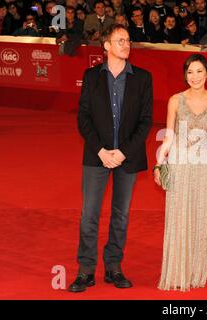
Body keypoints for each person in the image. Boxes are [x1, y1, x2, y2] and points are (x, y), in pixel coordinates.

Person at [68, 24, 153, 293]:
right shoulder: (91, 77)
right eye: (120, 40)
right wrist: (101, 151)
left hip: (127, 157)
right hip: (97, 157)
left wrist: (123, 151)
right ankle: (86, 269)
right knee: (89, 215)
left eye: (128, 40)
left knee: (121, 215)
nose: (126, 45)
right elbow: (83, 119)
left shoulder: (142, 78)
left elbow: (146, 121)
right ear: (105, 46)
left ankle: (114, 266)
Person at [154, 54, 207, 291]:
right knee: (179, 215)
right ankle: (177, 271)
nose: (194, 76)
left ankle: (195, 272)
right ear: (185, 75)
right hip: (179, 164)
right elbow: (169, 135)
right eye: (190, 72)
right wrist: (159, 162)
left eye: (199, 71)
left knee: (200, 214)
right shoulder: (175, 100)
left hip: (203, 166)